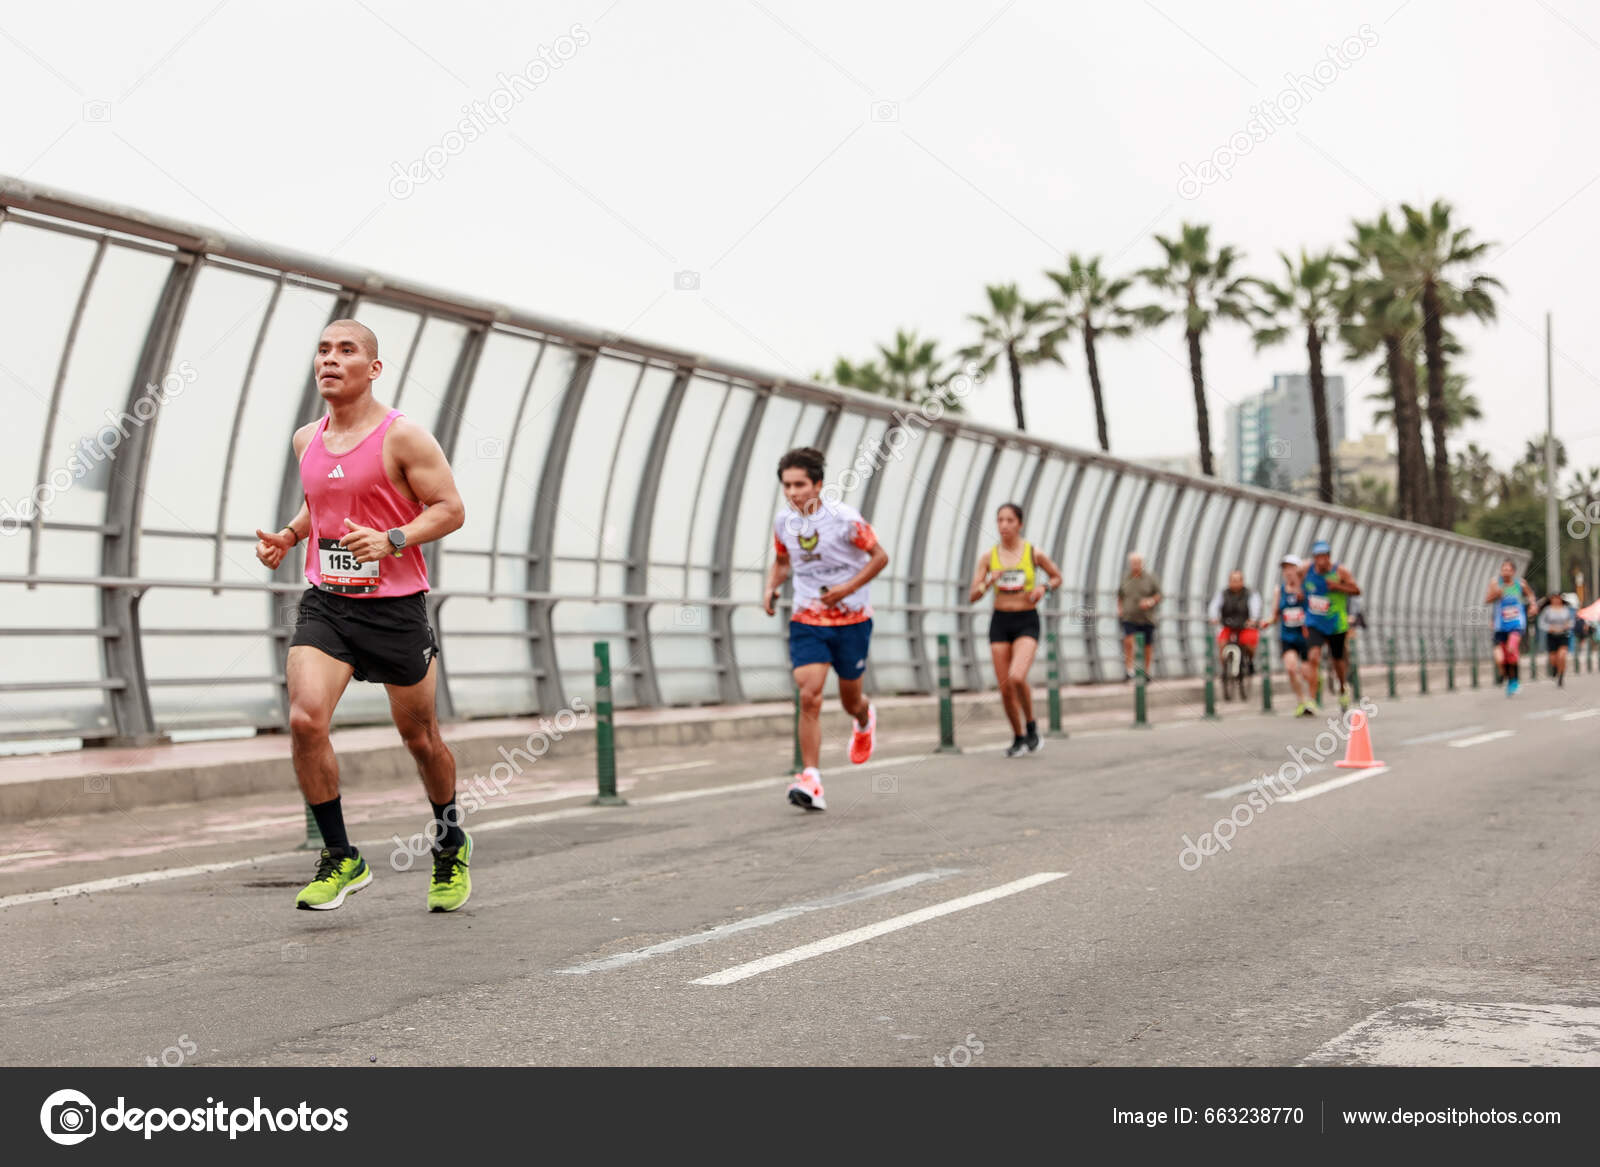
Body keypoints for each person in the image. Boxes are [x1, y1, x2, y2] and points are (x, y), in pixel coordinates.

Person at [254, 320, 469, 912]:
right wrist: (291, 535)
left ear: (373, 368)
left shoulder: (405, 438)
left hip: (396, 610)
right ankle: (342, 856)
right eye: (322, 349)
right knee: (304, 719)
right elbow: (323, 501)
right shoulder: (307, 439)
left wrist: (394, 538)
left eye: (346, 350)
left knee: (420, 738)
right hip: (328, 604)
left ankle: (449, 843)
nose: (330, 359)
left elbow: (450, 509)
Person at [764, 447, 889, 811]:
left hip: (852, 619)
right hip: (808, 618)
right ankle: (811, 779)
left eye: (799, 484)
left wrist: (846, 590)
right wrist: (772, 586)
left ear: (818, 484)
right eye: (786, 485)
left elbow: (880, 556)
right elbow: (782, 560)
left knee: (851, 700)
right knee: (809, 694)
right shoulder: (782, 522)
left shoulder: (845, 519)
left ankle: (864, 721)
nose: (792, 492)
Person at [969, 502, 1064, 756]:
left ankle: (1031, 724)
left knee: (1017, 676)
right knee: (1004, 687)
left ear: (1019, 524)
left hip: (1026, 620)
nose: (1004, 525)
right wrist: (989, 581)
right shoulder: (989, 557)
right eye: (1000, 520)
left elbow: (1057, 576)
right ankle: (1018, 736)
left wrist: (1043, 588)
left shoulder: (1034, 553)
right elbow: (972, 595)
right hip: (1000, 621)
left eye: (1010, 520)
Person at [1302, 538, 1361, 711]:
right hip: (1315, 621)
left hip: (1336, 622)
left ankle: (1343, 687)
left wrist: (1337, 586)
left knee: (1338, 660)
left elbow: (1356, 590)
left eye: (1324, 556)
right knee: (1313, 656)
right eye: (1317, 556)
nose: (1321, 560)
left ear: (1329, 556)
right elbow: (1296, 578)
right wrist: (1299, 592)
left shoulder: (1340, 571)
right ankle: (1311, 700)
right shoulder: (1306, 570)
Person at [1261, 554, 1315, 716]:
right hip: (1288, 636)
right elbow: (1275, 614)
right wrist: (1267, 622)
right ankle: (1301, 701)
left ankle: (1312, 697)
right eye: (1285, 568)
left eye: (1291, 568)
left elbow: (1317, 609)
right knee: (1291, 668)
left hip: (1306, 636)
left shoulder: (1307, 588)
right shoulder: (1280, 590)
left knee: (1306, 672)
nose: (1288, 572)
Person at [1485, 559, 1532, 695]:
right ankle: (1506, 676)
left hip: (1516, 624)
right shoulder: (1495, 583)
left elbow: (1530, 596)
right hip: (1500, 625)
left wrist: (1533, 606)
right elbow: (1487, 600)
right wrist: (1497, 594)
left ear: (1513, 571)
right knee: (1500, 658)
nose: (1505, 572)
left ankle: (1514, 681)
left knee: (1512, 649)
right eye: (1503, 569)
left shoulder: (1520, 584)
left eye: (1508, 569)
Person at [1207, 569, 1261, 684]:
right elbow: (1214, 607)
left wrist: (1253, 620)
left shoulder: (1250, 594)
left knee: (1249, 642)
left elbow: (1255, 608)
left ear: (1242, 581)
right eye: (1232, 580)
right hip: (1228, 625)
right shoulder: (1222, 594)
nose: (1235, 583)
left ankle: (1250, 661)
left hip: (1245, 626)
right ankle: (1225, 669)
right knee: (1222, 643)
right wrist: (1214, 618)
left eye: (1237, 580)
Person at [1117, 553, 1162, 680]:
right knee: (1128, 641)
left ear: (1142, 563)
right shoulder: (1125, 578)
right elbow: (1119, 595)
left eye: (1137, 563)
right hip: (1129, 617)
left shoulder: (1150, 578)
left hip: (1147, 618)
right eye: (1133, 563)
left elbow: (1159, 595)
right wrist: (1120, 610)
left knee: (1147, 645)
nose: (1135, 565)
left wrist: (1150, 601)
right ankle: (1129, 670)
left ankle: (1146, 672)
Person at [1533, 591, 1575, 687]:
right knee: (1553, 658)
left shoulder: (1566, 609)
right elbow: (1541, 623)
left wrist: (1567, 626)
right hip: (1552, 636)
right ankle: (1555, 668)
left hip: (1563, 635)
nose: (1556, 600)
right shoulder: (1547, 610)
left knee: (1562, 655)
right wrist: (1549, 628)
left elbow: (1571, 621)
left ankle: (1561, 675)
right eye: (1554, 598)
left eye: (1557, 598)